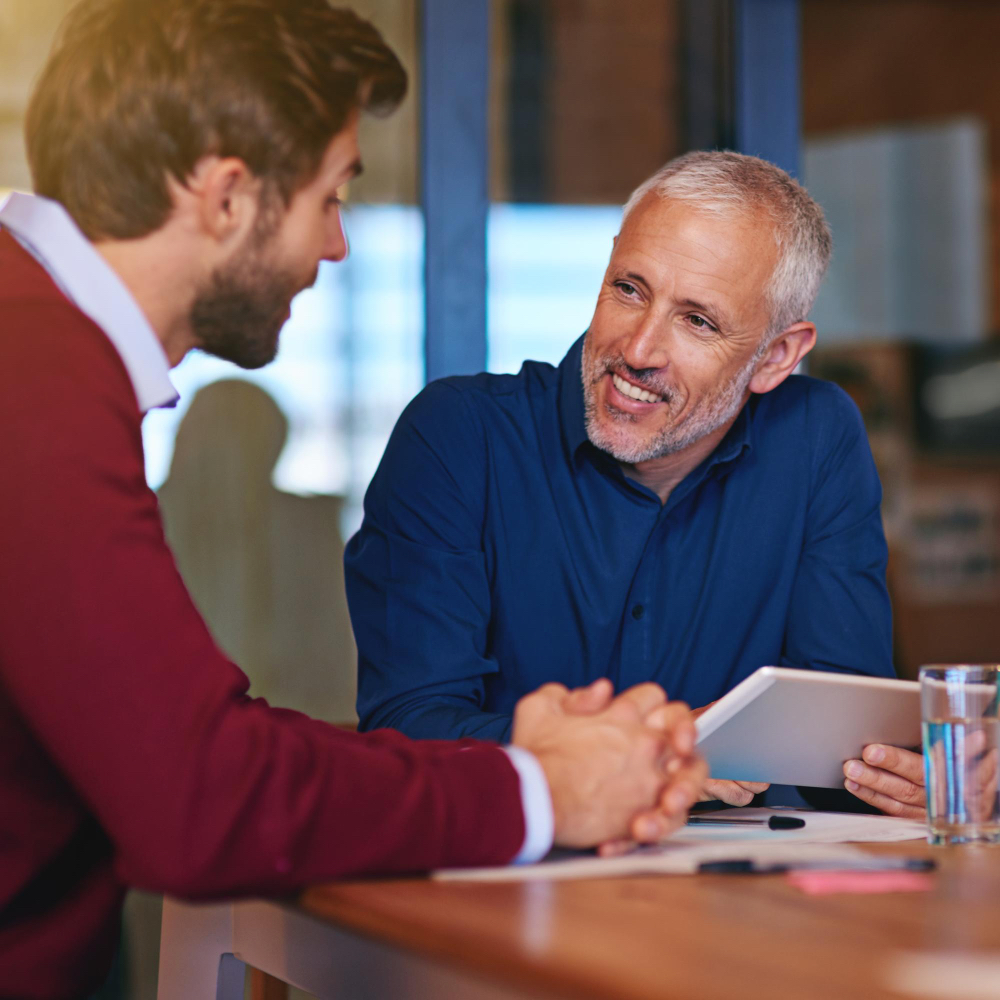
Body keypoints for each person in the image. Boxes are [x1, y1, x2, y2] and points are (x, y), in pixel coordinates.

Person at [0, 2, 708, 996]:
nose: (334, 246)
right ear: (228, 195)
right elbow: (199, 801)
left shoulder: (35, 343)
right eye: (330, 197)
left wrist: (514, 764)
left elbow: (190, 735)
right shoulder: (33, 378)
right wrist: (541, 791)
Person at [347, 150, 928, 815]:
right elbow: (409, 729)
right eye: (630, 289)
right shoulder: (457, 435)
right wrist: (654, 750)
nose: (639, 350)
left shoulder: (816, 436)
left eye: (697, 321)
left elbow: (846, 744)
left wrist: (927, 769)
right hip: (518, 887)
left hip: (745, 897)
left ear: (775, 358)